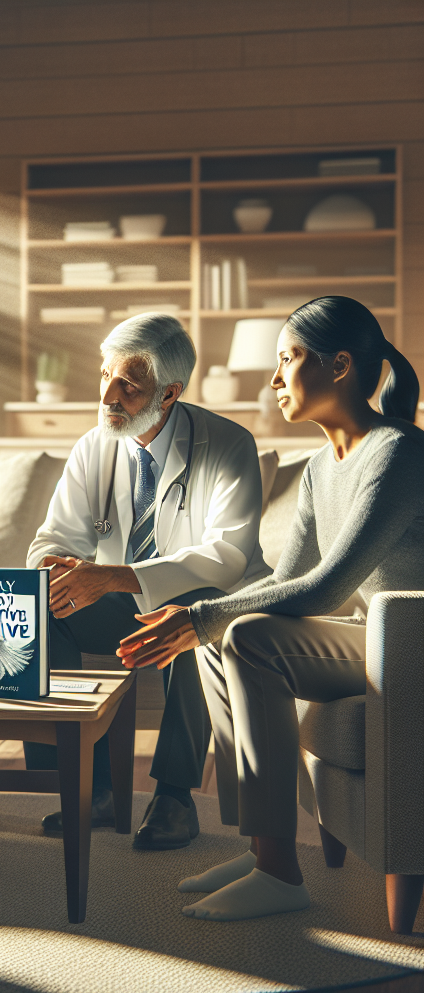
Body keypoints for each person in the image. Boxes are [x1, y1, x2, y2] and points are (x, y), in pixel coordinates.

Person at [118, 296, 422, 921]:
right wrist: (202, 621)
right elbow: (290, 580)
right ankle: (262, 850)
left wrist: (199, 616)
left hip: (410, 643)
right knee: (221, 635)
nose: (274, 378)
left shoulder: (397, 452)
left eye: (287, 360)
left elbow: (326, 588)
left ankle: (281, 876)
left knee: (242, 634)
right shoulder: (318, 468)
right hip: (372, 641)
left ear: (339, 366)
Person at [26, 313, 269, 849]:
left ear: (169, 393)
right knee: (37, 605)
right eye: (105, 375)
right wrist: (55, 568)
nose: (108, 395)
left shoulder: (228, 444)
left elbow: (227, 557)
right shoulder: (95, 445)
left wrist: (113, 575)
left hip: (215, 607)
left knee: (195, 612)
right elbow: (52, 538)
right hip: (122, 603)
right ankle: (87, 785)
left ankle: (174, 797)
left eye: (128, 386)